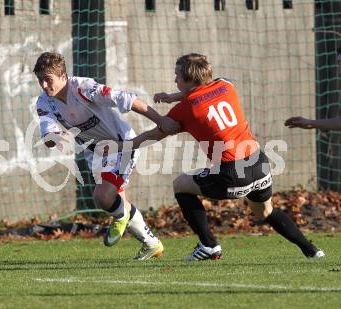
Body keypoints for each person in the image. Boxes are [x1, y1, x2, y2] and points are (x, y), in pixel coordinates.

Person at [121, 53, 324, 261]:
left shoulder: (187, 108)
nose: (175, 80)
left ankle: (209, 245)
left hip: (232, 172)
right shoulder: (227, 86)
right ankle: (312, 250)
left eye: (178, 77)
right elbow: (204, 91)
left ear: (190, 79)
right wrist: (175, 96)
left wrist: (125, 147)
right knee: (266, 212)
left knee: (180, 184)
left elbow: (155, 134)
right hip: (259, 163)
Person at [33, 51, 180, 260]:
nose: (44, 86)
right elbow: (47, 132)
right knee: (115, 199)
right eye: (40, 81)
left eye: (48, 80)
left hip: (121, 146)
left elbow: (125, 98)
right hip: (96, 154)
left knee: (103, 197)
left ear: (63, 77)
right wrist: (52, 138)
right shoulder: (44, 102)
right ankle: (151, 244)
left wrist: (160, 120)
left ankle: (122, 217)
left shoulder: (83, 88)